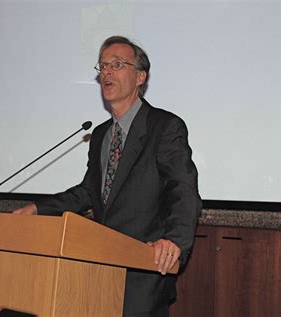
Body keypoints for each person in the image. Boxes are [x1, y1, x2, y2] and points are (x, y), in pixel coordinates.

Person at [13, 35, 202, 317]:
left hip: (144, 273)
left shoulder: (165, 127)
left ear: (140, 76)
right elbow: (90, 192)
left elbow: (183, 190)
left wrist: (174, 241)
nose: (107, 73)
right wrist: (38, 209)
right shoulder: (101, 134)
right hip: (98, 269)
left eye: (117, 64)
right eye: (102, 66)